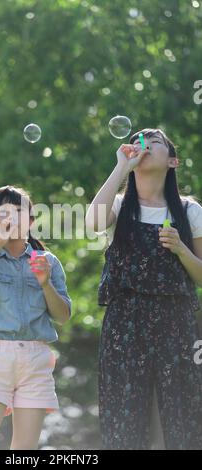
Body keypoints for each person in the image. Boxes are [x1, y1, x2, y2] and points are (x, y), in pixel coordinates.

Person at [85, 128, 202, 449]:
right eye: (140, 140)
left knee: (182, 416)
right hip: (124, 324)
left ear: (173, 161)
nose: (145, 143)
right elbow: (92, 222)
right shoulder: (120, 205)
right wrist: (121, 166)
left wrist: (181, 250)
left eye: (156, 141)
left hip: (176, 324)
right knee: (123, 418)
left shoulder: (190, 211)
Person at [0, 185, 72, 449]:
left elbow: (63, 316)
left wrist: (45, 284)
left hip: (36, 359)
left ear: (31, 222)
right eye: (3, 211)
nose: (11, 216)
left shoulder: (48, 261)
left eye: (19, 210)